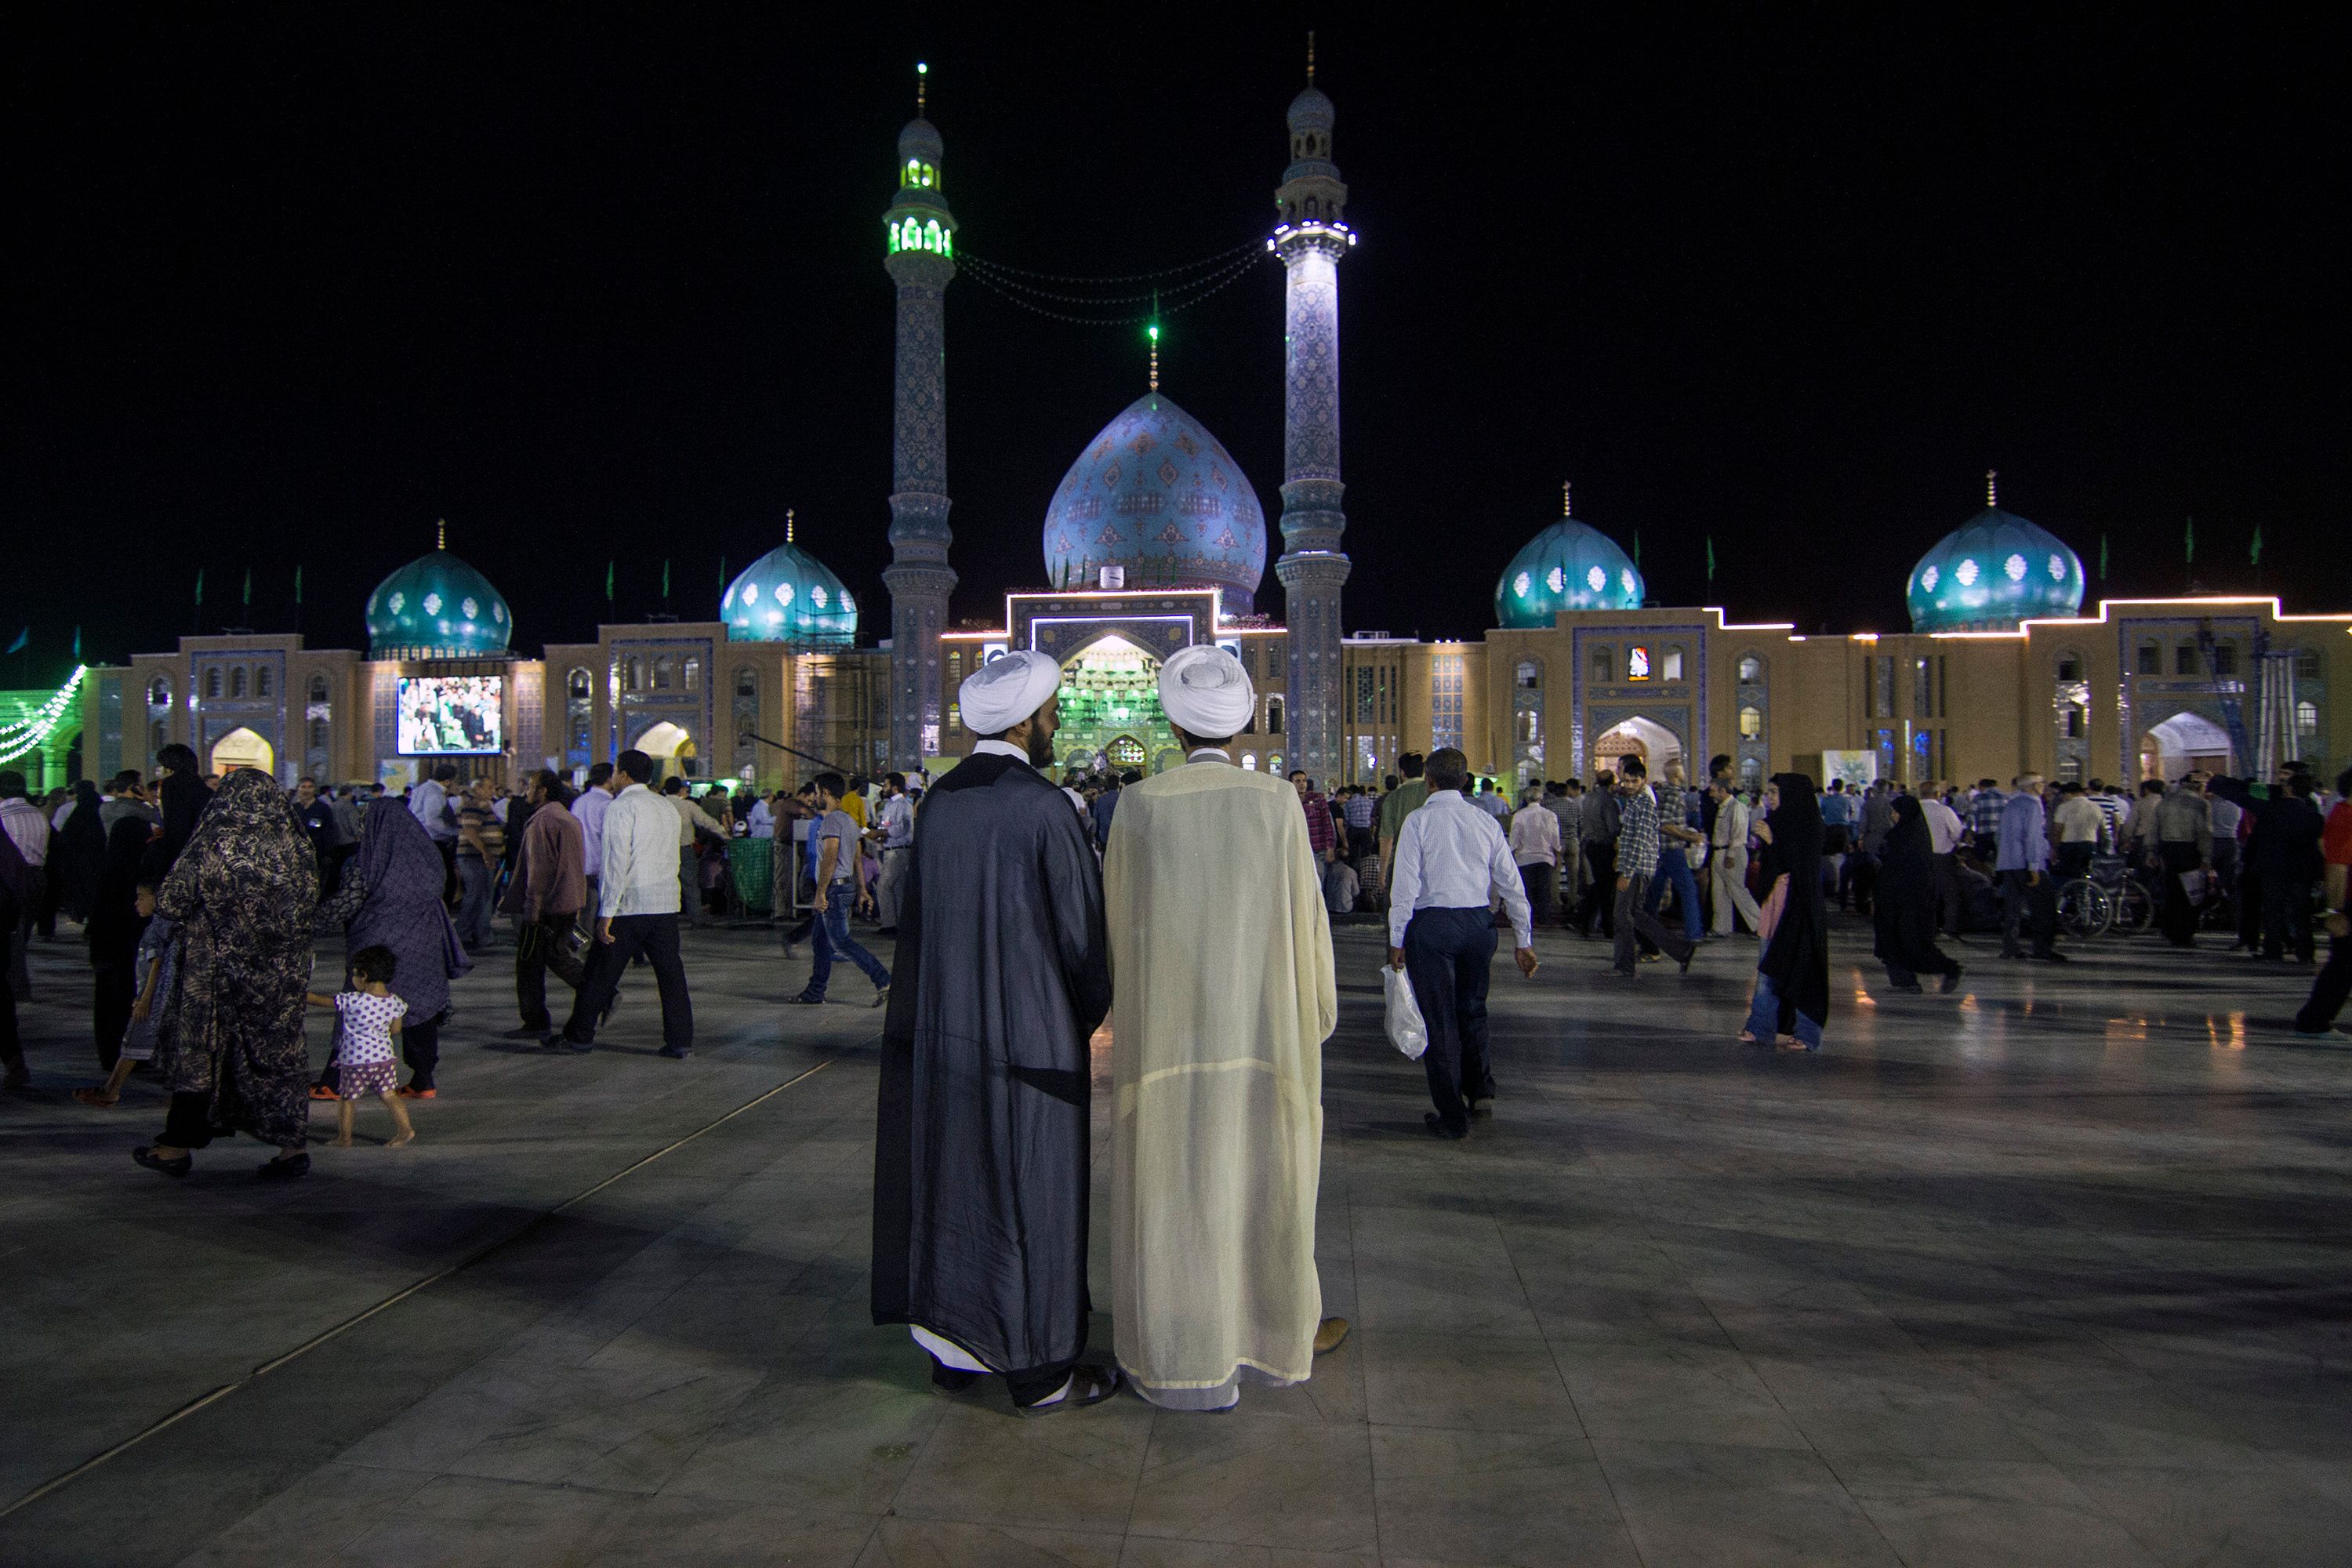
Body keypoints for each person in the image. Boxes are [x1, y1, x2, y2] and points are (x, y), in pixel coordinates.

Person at [872, 649, 1118, 1414]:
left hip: (945, 1036)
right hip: (1031, 1044)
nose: (1054, 727)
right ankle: (1041, 1368)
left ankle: (959, 1346)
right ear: (1024, 719)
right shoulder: (1043, 807)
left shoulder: (939, 803)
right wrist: (1088, 1011)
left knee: (954, 1183)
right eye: (1051, 716)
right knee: (1033, 1197)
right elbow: (1082, 941)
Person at [1102, 644, 1343, 1410]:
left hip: (1168, 1046)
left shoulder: (1140, 806)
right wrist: (1314, 1016)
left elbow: (1117, 933)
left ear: (1172, 723)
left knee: (1177, 1200)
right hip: (1260, 1042)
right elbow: (1311, 927)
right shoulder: (1274, 803)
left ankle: (1176, 1350)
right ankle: (1263, 1338)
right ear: (1241, 726)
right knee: (1256, 1194)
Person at [132, 768, 319, 1179]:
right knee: (276, 1055)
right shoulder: (296, 843)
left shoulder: (213, 839)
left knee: (201, 1054)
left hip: (214, 972)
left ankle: (176, 1147)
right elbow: (310, 901)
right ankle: (292, 1149)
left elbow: (173, 901)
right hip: (278, 974)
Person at [1388, 747, 1537, 1138]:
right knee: (1473, 1009)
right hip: (1477, 924)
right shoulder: (1484, 821)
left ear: (1429, 780)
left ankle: (1451, 1114)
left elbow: (1404, 887)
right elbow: (1510, 883)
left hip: (1432, 926)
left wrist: (1396, 937)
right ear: (1465, 780)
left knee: (1439, 1018)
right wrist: (1523, 939)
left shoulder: (1417, 822)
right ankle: (1481, 1093)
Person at [315, 798, 470, 1099]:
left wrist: (310, 919)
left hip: (378, 946)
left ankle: (334, 1082)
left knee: (358, 1009)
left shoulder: (368, 860)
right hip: (424, 944)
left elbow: (345, 902)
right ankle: (423, 1080)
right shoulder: (429, 857)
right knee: (421, 1008)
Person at [551, 750, 695, 1058]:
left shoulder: (621, 807)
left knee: (600, 973)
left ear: (625, 775)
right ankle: (680, 1040)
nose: (613, 777)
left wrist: (606, 912)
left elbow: (616, 863)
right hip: (664, 902)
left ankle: (579, 1036)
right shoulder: (666, 806)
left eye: (616, 771)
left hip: (630, 904)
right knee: (671, 975)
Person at [784, 772, 891, 1007]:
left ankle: (884, 980)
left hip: (834, 889)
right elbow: (856, 857)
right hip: (846, 887)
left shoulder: (831, 821)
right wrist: (862, 889)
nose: (814, 798)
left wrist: (821, 892)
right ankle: (815, 992)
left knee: (842, 943)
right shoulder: (850, 821)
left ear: (826, 793)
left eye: (817, 792)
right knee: (820, 943)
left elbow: (830, 857)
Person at [1740, 773, 1831, 1048]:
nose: (1769, 798)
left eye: (1775, 792)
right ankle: (1761, 1027)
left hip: (1799, 907)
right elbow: (1772, 866)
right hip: (1775, 904)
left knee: (1803, 970)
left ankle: (1808, 1033)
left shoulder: (1810, 826)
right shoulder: (1776, 822)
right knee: (1768, 966)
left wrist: (1773, 841)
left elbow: (1801, 865)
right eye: (1768, 792)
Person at [499, 771, 590, 1040]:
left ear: (544, 791)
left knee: (530, 963)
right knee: (555, 955)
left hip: (546, 905)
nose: (527, 791)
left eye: (531, 786)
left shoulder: (543, 821)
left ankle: (537, 1019)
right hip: (566, 900)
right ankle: (598, 991)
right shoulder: (567, 818)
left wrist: (533, 907)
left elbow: (539, 871)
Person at [74, 873, 176, 1108]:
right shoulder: (161, 924)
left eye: (142, 898)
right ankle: (113, 1089)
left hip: (156, 1001)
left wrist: (145, 1000)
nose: (136, 903)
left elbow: (157, 965)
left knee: (137, 1041)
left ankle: (112, 1090)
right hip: (157, 999)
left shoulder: (158, 928)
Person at [307, 946, 417, 1149]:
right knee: (389, 1095)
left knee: (347, 1099)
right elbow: (396, 1030)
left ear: (363, 975)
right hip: (384, 1059)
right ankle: (405, 1130)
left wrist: (299, 992)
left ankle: (344, 1138)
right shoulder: (395, 1002)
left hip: (355, 1061)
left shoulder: (352, 1000)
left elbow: (319, 1000)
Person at [1602, 758, 1696, 978]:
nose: (1629, 785)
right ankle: (1682, 950)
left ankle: (1625, 966)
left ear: (1643, 780)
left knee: (1621, 915)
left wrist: (1627, 872)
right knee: (1635, 914)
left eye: (1634, 781)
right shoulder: (1635, 802)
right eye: (1626, 781)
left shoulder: (1644, 804)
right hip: (1635, 867)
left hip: (1636, 869)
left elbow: (1640, 842)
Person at [1872, 796, 1964, 993]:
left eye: (1896, 812)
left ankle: (1949, 969)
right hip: (1895, 899)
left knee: (1911, 941)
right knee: (1894, 939)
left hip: (1907, 900)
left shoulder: (1907, 837)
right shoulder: (1906, 835)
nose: (1893, 816)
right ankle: (1904, 981)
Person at [85, 818, 153, 1073]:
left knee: (107, 1001)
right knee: (129, 998)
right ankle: (132, 1055)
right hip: (130, 946)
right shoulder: (141, 870)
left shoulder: (107, 867)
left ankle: (111, 1053)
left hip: (108, 946)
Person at [2293, 767, 2352, 1036]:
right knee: (2341, 967)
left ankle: (2314, 1018)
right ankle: (2313, 1020)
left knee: (2342, 966)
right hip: (2349, 904)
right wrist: (2335, 911)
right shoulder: (2345, 819)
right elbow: (2338, 867)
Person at [1996, 774, 2063, 962]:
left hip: (2009, 862)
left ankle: (2010, 948)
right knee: (2043, 907)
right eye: (2041, 783)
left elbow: (2000, 834)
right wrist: (2034, 866)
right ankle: (2042, 949)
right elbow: (2032, 837)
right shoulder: (2033, 805)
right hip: (2027, 863)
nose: (2044, 787)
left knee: (2012, 908)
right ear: (2032, 787)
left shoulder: (2011, 804)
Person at [0, 769, 51, 999]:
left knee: (12, 937)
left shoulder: (4, 815)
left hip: (11, 878)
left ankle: (17, 987)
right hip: (37, 876)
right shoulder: (38, 814)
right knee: (22, 934)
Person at [2150, 775, 2216, 949]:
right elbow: (2204, 833)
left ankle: (2170, 930)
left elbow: (2153, 828)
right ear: (2198, 788)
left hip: (2168, 850)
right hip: (2189, 850)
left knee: (2172, 891)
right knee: (2191, 893)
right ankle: (2185, 933)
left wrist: (2151, 852)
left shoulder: (2165, 803)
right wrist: (2206, 857)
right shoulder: (2201, 804)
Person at [453, 779, 505, 949]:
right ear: (478, 788)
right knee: (476, 896)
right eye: (489, 787)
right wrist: (486, 852)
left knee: (483, 896)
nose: (493, 790)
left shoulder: (483, 805)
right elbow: (470, 831)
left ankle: (480, 934)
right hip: (474, 857)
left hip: (479, 857)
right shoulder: (472, 805)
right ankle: (461, 933)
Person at [1708, 778, 1762, 936]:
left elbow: (1739, 833)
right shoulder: (1722, 808)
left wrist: (1731, 854)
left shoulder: (1737, 807)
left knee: (1738, 891)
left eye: (1713, 790)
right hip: (1719, 853)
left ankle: (1760, 924)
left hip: (1732, 854)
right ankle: (1721, 927)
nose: (1711, 794)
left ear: (1723, 791)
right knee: (1719, 892)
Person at [53, 779, 107, 927]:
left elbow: (65, 834)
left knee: (82, 889)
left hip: (80, 858)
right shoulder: (100, 807)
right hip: (99, 857)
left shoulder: (78, 810)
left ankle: (83, 915)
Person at [1575, 769, 1622, 938]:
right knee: (1606, 888)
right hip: (1603, 846)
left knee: (1600, 885)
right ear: (1612, 782)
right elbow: (1613, 828)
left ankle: (1584, 921)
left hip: (1590, 845)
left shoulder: (1588, 798)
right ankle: (1605, 926)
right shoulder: (1609, 801)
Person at [1917, 782, 1967, 935]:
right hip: (1941, 857)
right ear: (1938, 794)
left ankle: (1925, 927)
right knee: (1949, 895)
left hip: (1917, 858)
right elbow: (1956, 833)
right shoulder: (1945, 811)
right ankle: (1949, 928)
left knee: (1922, 894)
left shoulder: (1912, 811)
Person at [1375, 752, 1429, 894]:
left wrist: (1382, 873)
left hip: (1402, 863)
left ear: (1402, 772)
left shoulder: (1393, 798)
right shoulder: (1431, 793)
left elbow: (1387, 838)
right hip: (1431, 862)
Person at [1508, 786, 1561, 926]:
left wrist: (1512, 854)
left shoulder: (1519, 815)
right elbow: (1555, 838)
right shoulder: (1550, 815)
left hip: (1524, 858)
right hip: (1545, 857)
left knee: (1527, 890)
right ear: (1541, 798)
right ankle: (1544, 918)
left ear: (1526, 798)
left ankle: (1527, 918)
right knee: (1544, 889)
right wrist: (1557, 854)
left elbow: (1514, 838)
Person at [873, 772, 916, 934]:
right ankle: (900, 925)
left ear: (895, 787)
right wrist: (881, 836)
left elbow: (903, 828)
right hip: (890, 850)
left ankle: (889, 924)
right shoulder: (889, 805)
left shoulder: (904, 805)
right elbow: (887, 825)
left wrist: (883, 834)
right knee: (898, 889)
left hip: (899, 852)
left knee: (883, 886)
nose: (883, 788)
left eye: (886, 785)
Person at [412, 763, 460, 900]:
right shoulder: (435, 793)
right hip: (433, 842)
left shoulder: (422, 789)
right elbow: (432, 821)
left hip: (421, 840)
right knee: (447, 882)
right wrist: (454, 832)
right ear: (448, 780)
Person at [573, 761, 615, 915]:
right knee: (598, 911)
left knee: (584, 913)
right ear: (610, 779)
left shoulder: (579, 802)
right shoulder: (607, 804)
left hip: (580, 864)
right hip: (599, 866)